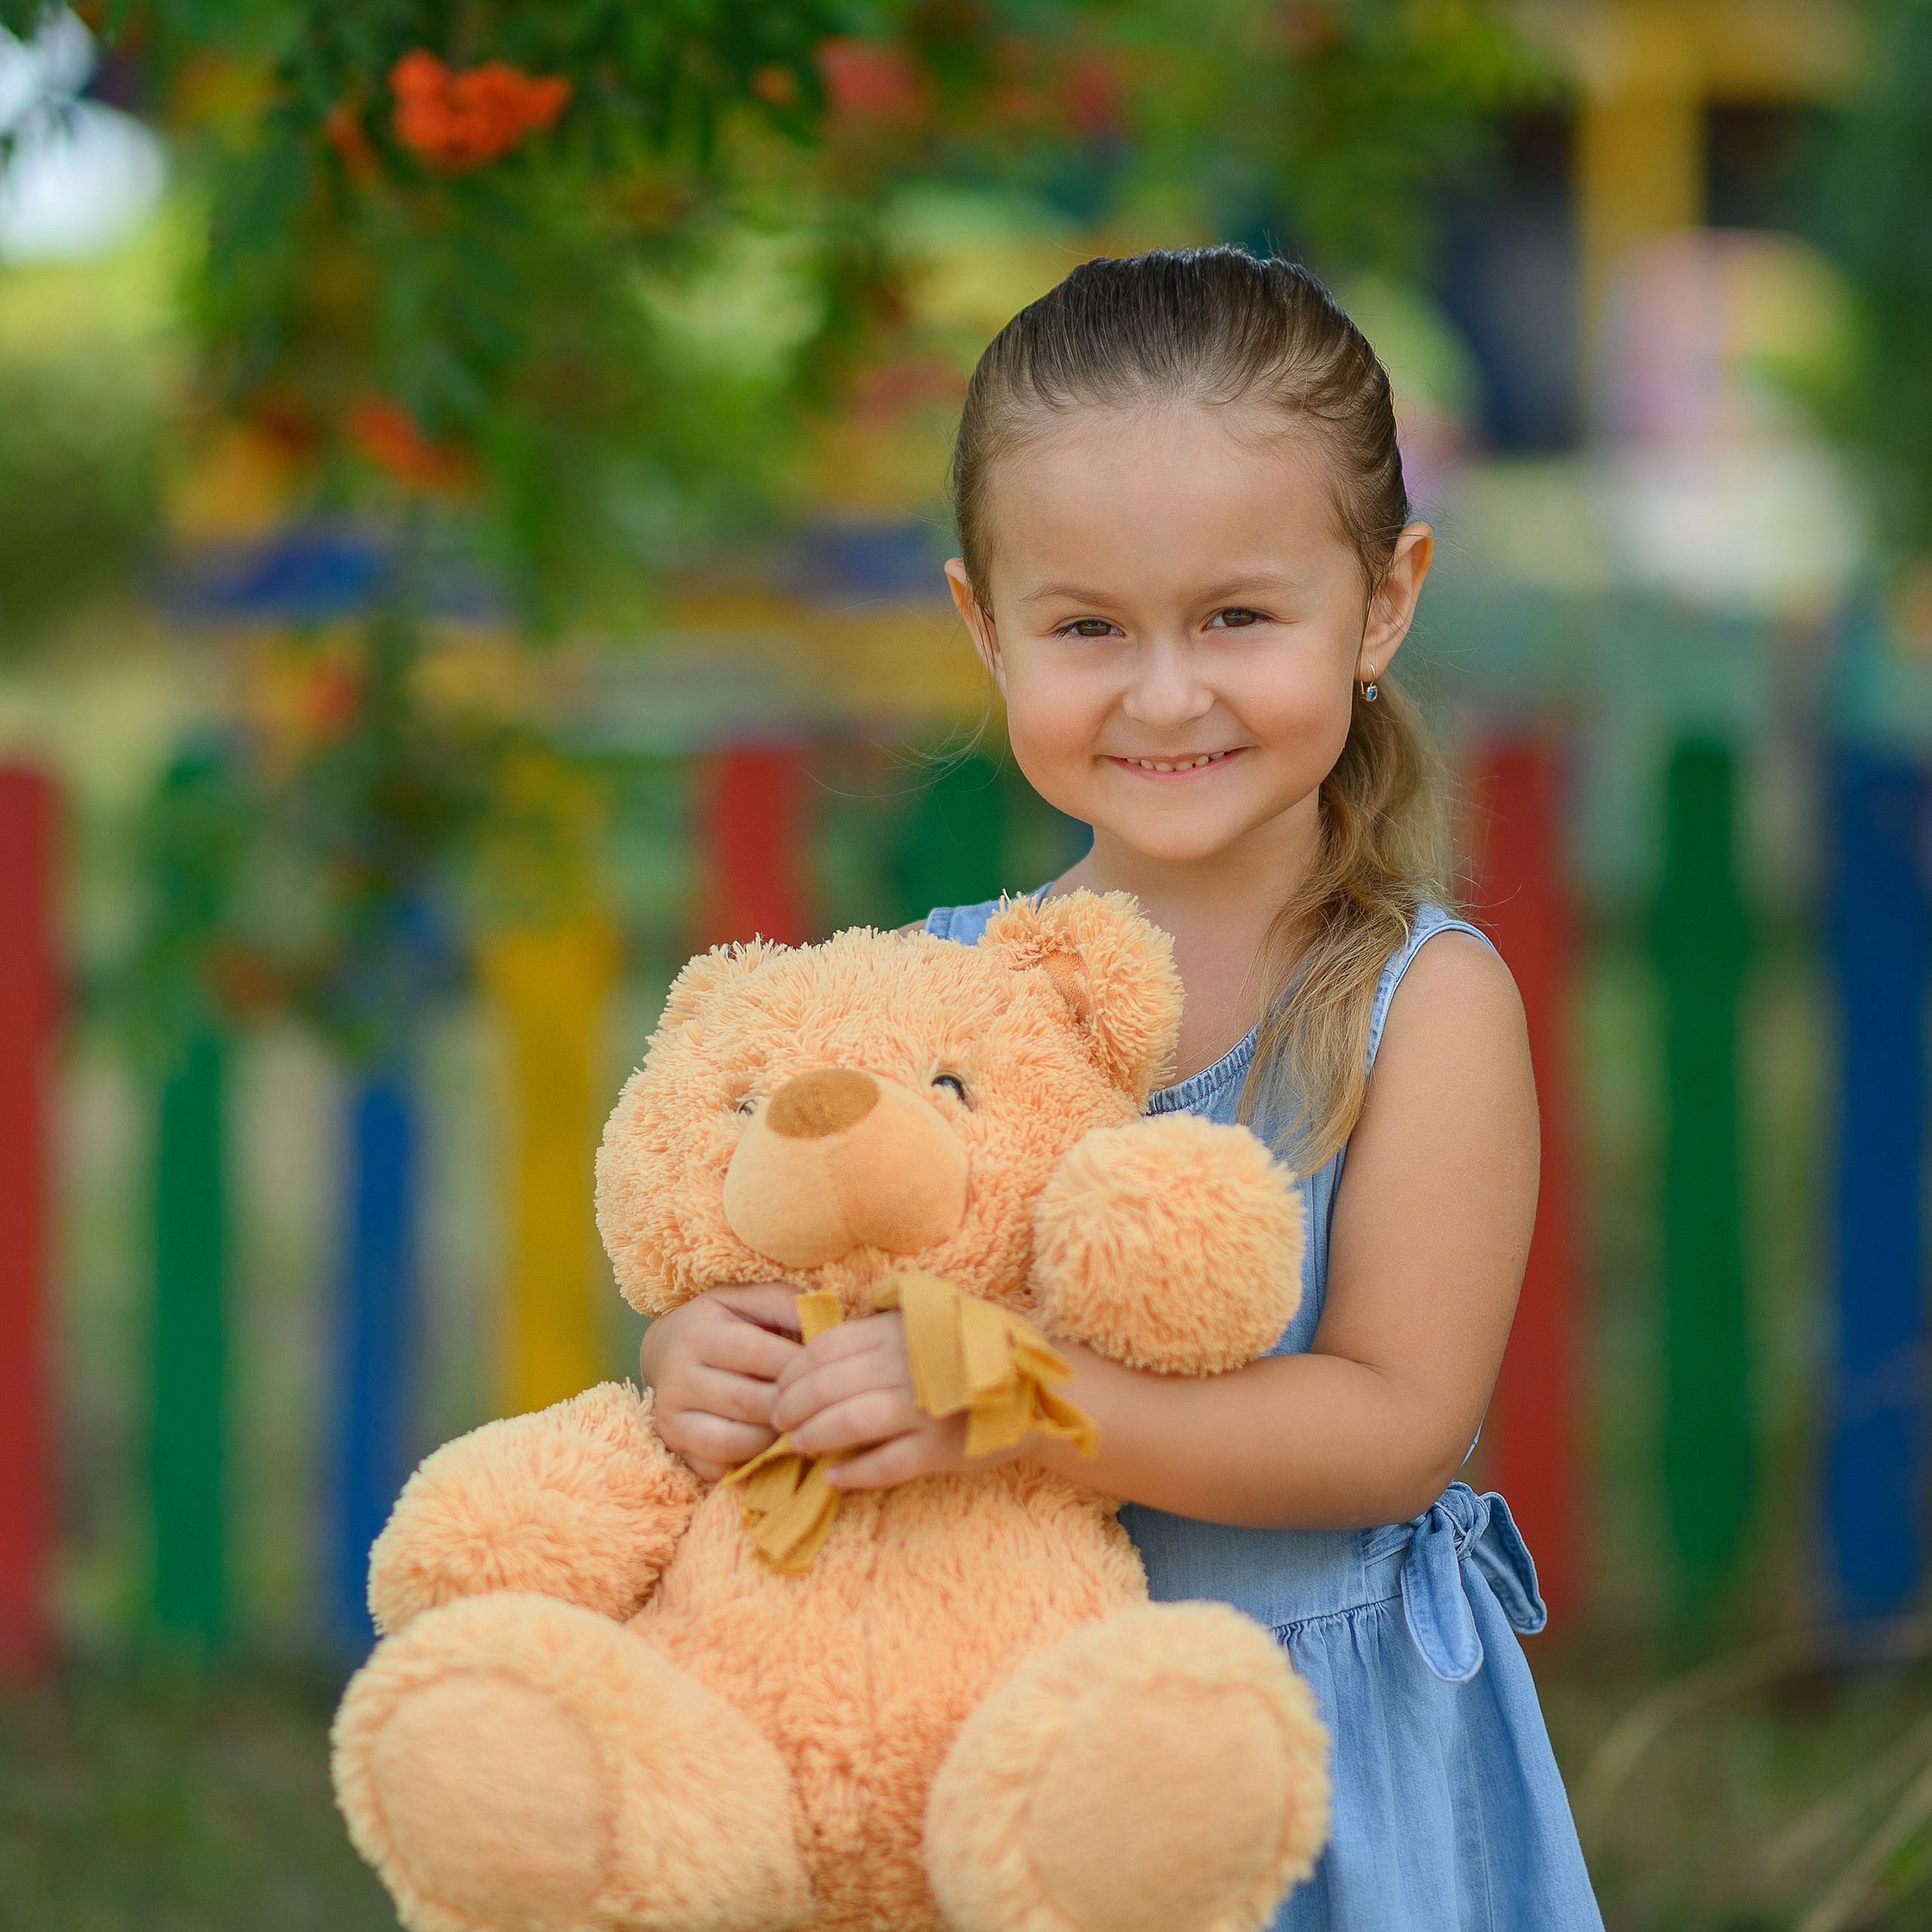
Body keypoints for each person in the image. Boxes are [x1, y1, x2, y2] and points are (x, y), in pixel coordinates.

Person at [639, 247, 1603, 1930]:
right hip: (981, 1745)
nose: (1165, 693)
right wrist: (704, 1366)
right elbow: (817, 1299)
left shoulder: (1413, 1003)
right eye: (1087, 626)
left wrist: (1011, 1401)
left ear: (1382, 598)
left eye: (1235, 614)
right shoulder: (929, 994)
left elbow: (1392, 1422)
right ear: (980, 626)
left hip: (1305, 1765)